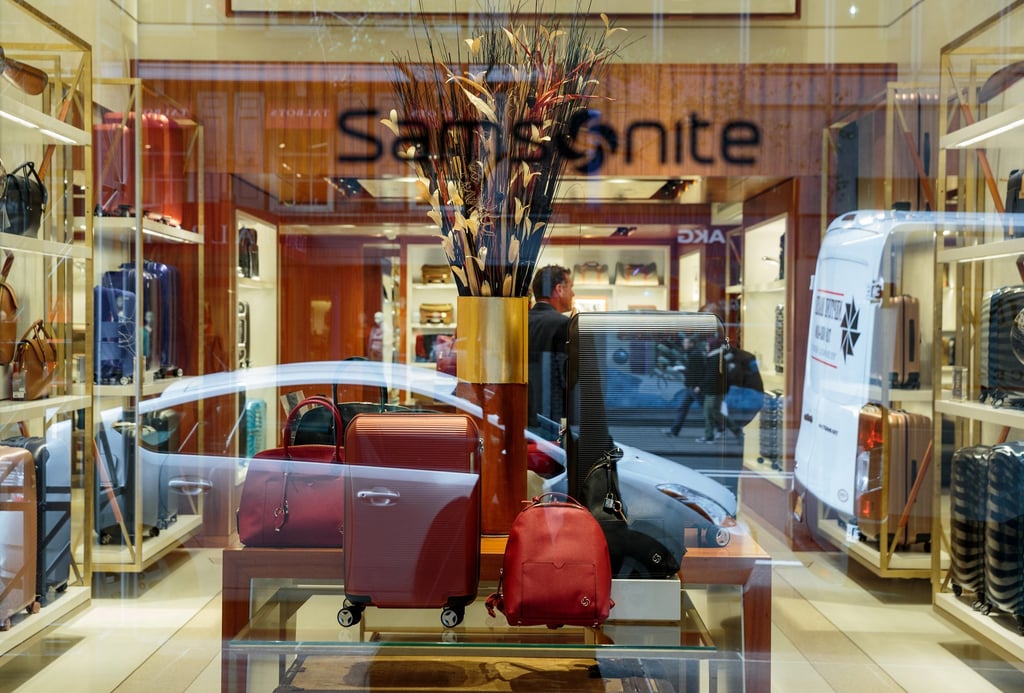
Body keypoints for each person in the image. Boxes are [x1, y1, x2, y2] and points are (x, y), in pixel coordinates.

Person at [528, 265, 575, 440]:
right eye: (570, 287)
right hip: (551, 419)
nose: (572, 294)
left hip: (523, 415)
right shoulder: (564, 325)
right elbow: (568, 379)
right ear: (559, 289)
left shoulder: (519, 321)